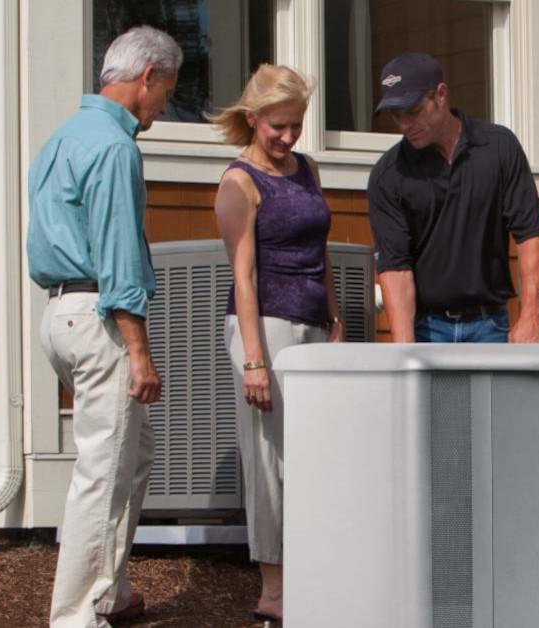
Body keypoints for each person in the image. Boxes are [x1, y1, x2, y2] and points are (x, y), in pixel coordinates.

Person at [26, 26, 180, 628]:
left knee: (131, 452)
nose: (165, 105)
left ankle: (109, 593)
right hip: (99, 318)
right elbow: (118, 255)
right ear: (148, 78)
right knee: (103, 469)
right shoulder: (115, 148)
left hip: (59, 316)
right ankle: (73, 618)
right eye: (168, 89)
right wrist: (138, 350)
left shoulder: (60, 139)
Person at [210, 64, 343, 623]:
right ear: (252, 119)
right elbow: (243, 277)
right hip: (264, 328)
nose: (288, 138)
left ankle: (310, 567)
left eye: (297, 125)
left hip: (314, 327)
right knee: (268, 458)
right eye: (278, 127)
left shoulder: (307, 169)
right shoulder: (238, 183)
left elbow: (321, 249)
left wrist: (335, 316)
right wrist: (255, 361)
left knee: (312, 454)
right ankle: (273, 586)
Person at [367, 52, 539, 343]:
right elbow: (395, 269)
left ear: (441, 95)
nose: (404, 125)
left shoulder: (498, 148)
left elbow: (530, 236)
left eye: (412, 111)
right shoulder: (389, 175)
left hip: (491, 325)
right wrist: (404, 351)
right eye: (396, 116)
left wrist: (531, 316)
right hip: (427, 330)